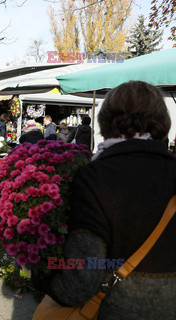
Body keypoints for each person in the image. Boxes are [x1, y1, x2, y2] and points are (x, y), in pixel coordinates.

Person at [31, 81, 176, 319]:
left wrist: (40, 270)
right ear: (163, 122)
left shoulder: (95, 178)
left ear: (105, 120)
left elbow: (78, 283)